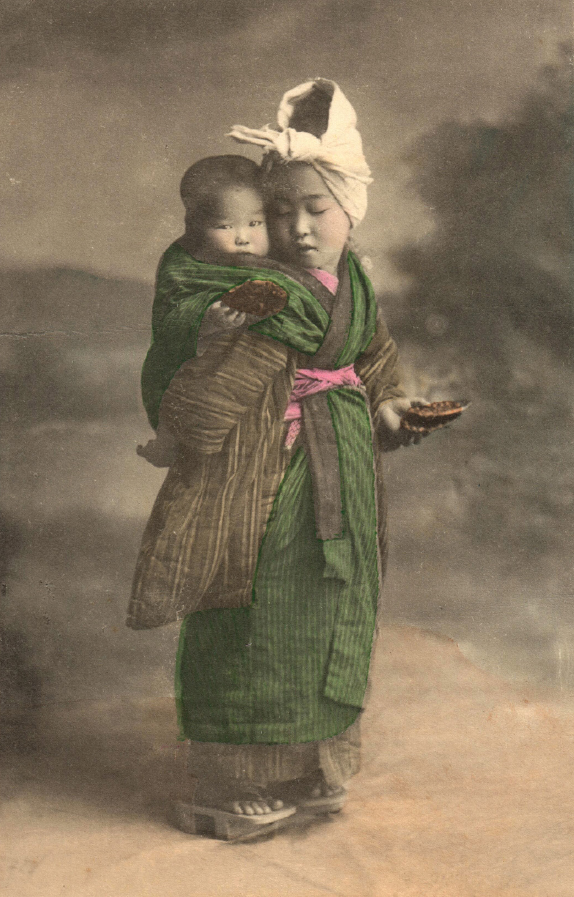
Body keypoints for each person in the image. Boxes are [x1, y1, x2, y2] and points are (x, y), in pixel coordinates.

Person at [128, 79, 422, 834]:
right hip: (266, 471)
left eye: (313, 210)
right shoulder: (255, 287)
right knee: (257, 613)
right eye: (278, 212)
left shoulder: (351, 280)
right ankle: (227, 786)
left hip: (343, 463)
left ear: (349, 211)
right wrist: (183, 432)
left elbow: (373, 355)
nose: (295, 229)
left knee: (329, 610)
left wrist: (390, 406)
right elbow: (200, 372)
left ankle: (306, 766)